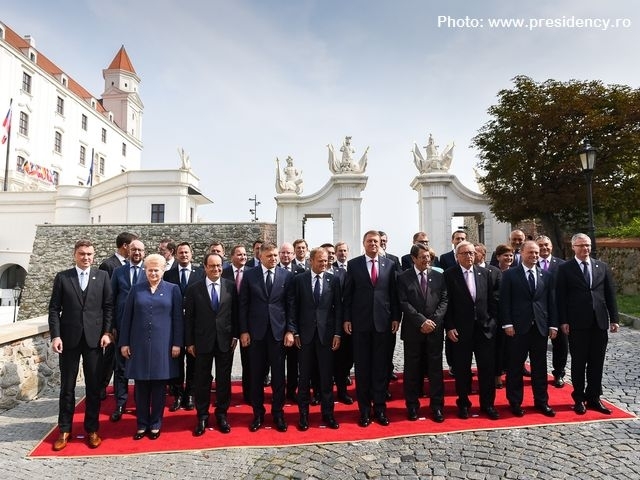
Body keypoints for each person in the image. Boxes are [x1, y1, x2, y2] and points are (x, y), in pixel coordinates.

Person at [48, 239, 113, 451]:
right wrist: (56, 336)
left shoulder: (103, 277)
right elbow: (54, 309)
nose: (86, 257)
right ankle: (64, 429)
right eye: (82, 253)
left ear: (94, 256)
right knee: (67, 387)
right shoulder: (63, 277)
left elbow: (108, 307)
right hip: (69, 340)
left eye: (89, 254)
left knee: (94, 387)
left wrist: (106, 333)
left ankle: (92, 429)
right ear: (75, 255)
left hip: (95, 340)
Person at [119, 254, 183, 440]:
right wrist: (124, 342)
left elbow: (178, 318)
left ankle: (155, 423)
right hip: (138, 344)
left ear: (163, 270)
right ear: (145, 271)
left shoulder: (173, 289)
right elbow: (127, 318)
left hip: (163, 345)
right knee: (140, 386)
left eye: (157, 270)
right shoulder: (136, 290)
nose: (153, 273)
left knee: (158, 386)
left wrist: (177, 343)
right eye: (150, 270)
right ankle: (141, 423)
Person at [556, 233, 620, 415]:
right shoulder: (565, 268)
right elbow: (560, 297)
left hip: (599, 322)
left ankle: (594, 397)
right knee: (578, 362)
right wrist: (563, 321)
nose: (585, 249)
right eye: (582, 245)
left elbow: (609, 294)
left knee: (596, 362)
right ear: (574, 247)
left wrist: (614, 319)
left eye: (588, 245)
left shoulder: (602, 266)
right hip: (577, 322)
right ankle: (578, 398)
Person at [343, 230, 400, 427]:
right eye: (370, 241)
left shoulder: (390, 265)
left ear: (381, 244)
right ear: (364, 243)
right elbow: (348, 295)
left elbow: (394, 294)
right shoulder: (354, 264)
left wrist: (395, 317)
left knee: (381, 368)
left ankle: (381, 409)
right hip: (360, 323)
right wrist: (347, 319)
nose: (373, 244)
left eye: (376, 241)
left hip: (384, 323)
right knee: (363, 369)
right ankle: (365, 411)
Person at [239, 242, 295, 433]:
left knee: (279, 377)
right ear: (261, 256)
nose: (274, 258)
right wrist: (244, 331)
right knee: (256, 376)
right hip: (256, 334)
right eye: (270, 255)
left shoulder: (286, 276)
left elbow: (290, 306)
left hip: (278, 334)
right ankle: (258, 414)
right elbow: (243, 305)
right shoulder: (249, 275)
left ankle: (278, 413)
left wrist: (290, 330)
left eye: (275, 255)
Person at [499, 240, 557, 418]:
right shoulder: (510, 275)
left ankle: (541, 401)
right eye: (531, 252)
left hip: (539, 328)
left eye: (537, 253)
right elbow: (504, 301)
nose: (534, 256)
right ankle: (515, 402)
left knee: (540, 367)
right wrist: (507, 323)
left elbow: (551, 302)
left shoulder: (546, 275)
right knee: (515, 367)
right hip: (517, 328)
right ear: (521, 253)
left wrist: (553, 324)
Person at [444, 241, 499, 420]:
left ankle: (488, 404)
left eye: (472, 253)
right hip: (460, 330)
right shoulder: (449, 275)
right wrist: (449, 326)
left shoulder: (485, 273)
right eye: (465, 253)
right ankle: (463, 404)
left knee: (487, 369)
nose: (469, 256)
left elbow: (493, 301)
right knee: (462, 369)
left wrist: (492, 323)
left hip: (484, 330)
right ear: (457, 256)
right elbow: (447, 304)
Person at [185, 252, 238, 436]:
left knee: (224, 380)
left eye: (219, 266)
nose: (216, 269)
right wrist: (189, 342)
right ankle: (202, 416)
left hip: (225, 341)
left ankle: (222, 414)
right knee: (202, 380)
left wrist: (235, 336)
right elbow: (189, 318)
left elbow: (235, 314)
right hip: (201, 341)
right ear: (205, 267)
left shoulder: (230, 287)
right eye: (212, 266)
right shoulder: (194, 289)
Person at [289, 247, 342, 430]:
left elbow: (338, 310)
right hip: (304, 337)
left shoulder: (333, 280)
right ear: (311, 261)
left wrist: (337, 333)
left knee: (327, 378)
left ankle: (328, 414)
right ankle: (303, 415)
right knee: (303, 379)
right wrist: (294, 332)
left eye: (326, 261)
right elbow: (293, 307)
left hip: (326, 337)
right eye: (320, 261)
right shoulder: (299, 280)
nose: (324, 264)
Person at [397, 243, 448, 423]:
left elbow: (444, 300)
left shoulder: (439, 276)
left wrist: (433, 321)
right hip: (413, 330)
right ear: (413, 259)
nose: (427, 260)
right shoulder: (403, 278)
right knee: (412, 370)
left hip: (434, 330)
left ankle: (437, 407)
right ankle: (412, 406)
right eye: (423, 257)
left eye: (429, 257)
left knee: (435, 370)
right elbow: (403, 303)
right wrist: (421, 321)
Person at [163, 242, 205, 411]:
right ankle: (178, 394)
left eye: (186, 252)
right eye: (181, 252)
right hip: (175, 323)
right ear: (176, 255)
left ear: (191, 254)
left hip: (195, 324)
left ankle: (190, 394)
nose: (184, 255)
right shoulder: (168, 274)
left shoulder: (200, 273)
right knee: (176, 360)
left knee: (194, 361)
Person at [109, 239, 146, 423]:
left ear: (144, 252)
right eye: (134, 249)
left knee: (140, 366)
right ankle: (121, 403)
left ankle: (140, 403)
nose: (137, 253)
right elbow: (111, 300)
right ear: (128, 251)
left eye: (140, 250)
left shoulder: (150, 272)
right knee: (120, 367)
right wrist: (112, 327)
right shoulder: (118, 272)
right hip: (122, 327)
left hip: (142, 328)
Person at [98, 231, 137, 400]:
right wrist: (109, 325)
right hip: (117, 321)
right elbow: (107, 296)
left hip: (132, 322)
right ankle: (102, 386)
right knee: (110, 357)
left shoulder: (138, 267)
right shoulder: (109, 265)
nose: (135, 250)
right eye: (133, 246)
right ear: (126, 246)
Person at [536, 235, 567, 388]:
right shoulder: (530, 264)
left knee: (560, 345)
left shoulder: (562, 265)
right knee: (536, 345)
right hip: (538, 312)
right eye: (540, 245)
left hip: (559, 311)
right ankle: (537, 374)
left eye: (547, 245)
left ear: (551, 246)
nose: (544, 248)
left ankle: (559, 373)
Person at [222, 244, 251, 403]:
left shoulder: (252, 273)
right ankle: (225, 396)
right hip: (228, 324)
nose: (243, 257)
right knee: (226, 363)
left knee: (249, 363)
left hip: (248, 325)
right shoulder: (223, 273)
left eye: (245, 254)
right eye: (239, 254)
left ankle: (248, 395)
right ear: (232, 256)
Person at [277, 242, 305, 402]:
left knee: (294, 361)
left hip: (294, 323)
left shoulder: (300, 272)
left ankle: (291, 391)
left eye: (289, 253)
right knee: (278, 361)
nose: (286, 256)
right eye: (283, 253)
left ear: (293, 255)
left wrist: (294, 328)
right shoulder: (276, 271)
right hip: (277, 323)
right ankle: (278, 391)